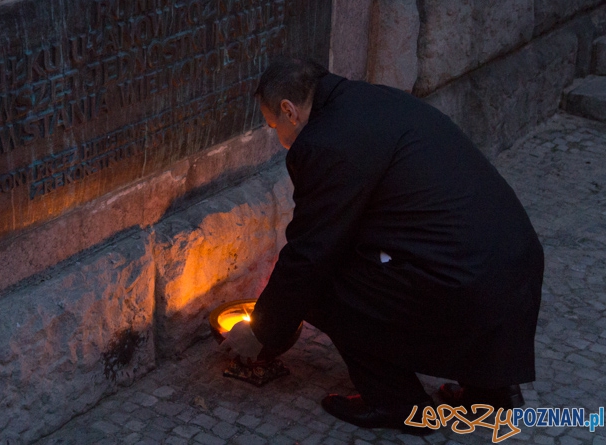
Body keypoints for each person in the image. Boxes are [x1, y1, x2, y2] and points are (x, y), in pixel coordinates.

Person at [223, 57, 544, 434]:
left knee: (323, 283)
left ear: (289, 111)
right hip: (514, 264)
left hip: (465, 283)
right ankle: (492, 395)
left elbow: (310, 253)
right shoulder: (371, 101)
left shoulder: (326, 142)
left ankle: (399, 406)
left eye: (274, 125)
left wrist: (262, 330)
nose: (278, 136)